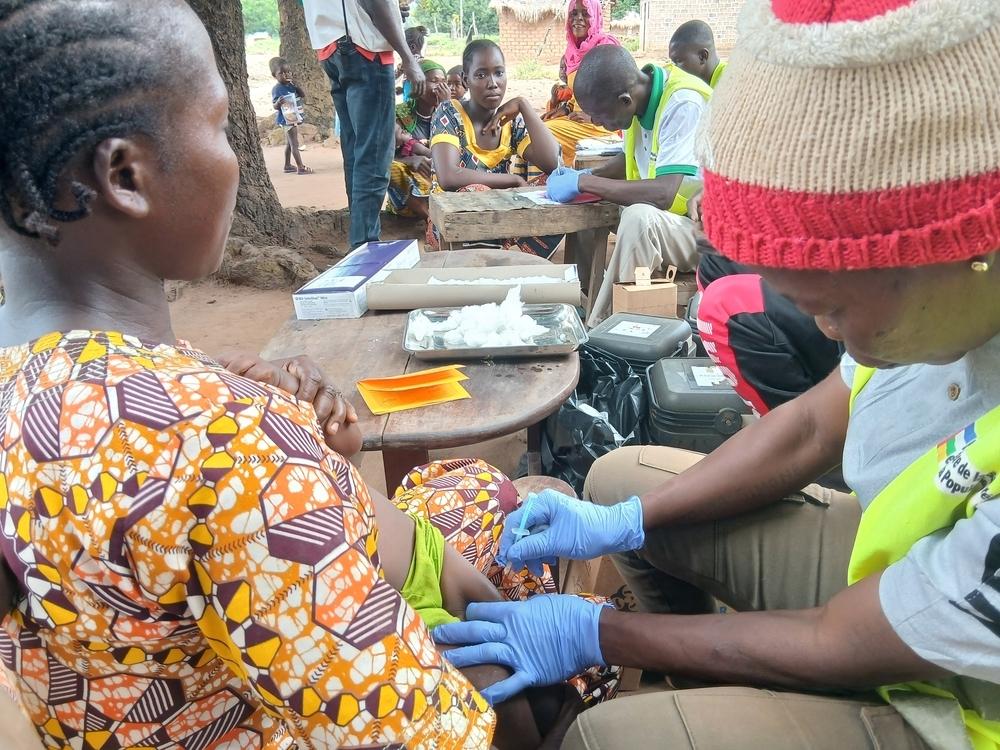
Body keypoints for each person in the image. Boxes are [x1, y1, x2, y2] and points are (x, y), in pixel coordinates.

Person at [0, 2, 612, 747]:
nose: (233, 155)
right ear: (126, 175)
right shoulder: (221, 438)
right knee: (529, 534)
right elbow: (424, 731)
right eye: (224, 125)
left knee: (470, 489)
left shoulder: (49, 387)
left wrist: (325, 462)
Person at [433, 1, 1000, 748]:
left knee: (605, 740)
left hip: (955, 693)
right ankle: (718, 681)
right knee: (617, 480)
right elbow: (807, 428)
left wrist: (600, 634)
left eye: (830, 308)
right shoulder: (932, 310)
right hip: (887, 562)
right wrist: (629, 522)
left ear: (964, 248)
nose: (828, 334)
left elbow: (840, 639)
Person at [547, 45, 711, 326]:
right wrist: (583, 181)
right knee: (589, 212)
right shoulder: (639, 100)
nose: (595, 122)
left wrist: (587, 181)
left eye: (599, 115)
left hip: (710, 234)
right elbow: (629, 160)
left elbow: (663, 192)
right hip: (676, 223)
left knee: (639, 219)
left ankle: (604, 330)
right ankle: (585, 304)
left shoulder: (684, 103)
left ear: (624, 100)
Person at [304, 0, 425, 249]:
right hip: (365, 50)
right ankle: (364, 244)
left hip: (331, 46)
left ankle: (360, 242)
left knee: (356, 153)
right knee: (374, 154)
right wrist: (408, 57)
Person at [430, 40, 562, 257]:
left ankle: (520, 256)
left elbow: (554, 164)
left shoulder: (510, 122)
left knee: (559, 180)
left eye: (499, 73)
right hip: (450, 220)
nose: (493, 83)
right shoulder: (448, 113)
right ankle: (486, 263)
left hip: (501, 213)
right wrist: (512, 180)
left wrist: (523, 105)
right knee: (477, 192)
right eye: (481, 75)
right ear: (466, 79)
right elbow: (448, 176)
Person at [542, 0, 620, 167]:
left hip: (599, 125)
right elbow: (577, 94)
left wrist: (593, 117)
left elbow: (622, 95)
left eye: (585, 14)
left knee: (541, 135)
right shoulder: (571, 53)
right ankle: (539, 185)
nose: (578, 18)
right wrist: (565, 109)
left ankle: (549, 183)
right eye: (574, 13)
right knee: (538, 127)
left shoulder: (606, 48)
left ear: (596, 17)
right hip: (576, 121)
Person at [387, 59, 451, 220]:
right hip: (410, 191)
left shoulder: (449, 112)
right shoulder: (398, 114)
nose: (441, 87)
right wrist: (409, 160)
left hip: (440, 183)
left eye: (444, 82)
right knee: (389, 167)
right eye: (434, 81)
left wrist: (447, 107)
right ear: (418, 83)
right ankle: (431, 221)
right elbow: (381, 155)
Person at [269, 56, 313, 175]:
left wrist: (296, 85)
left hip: (294, 117)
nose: (286, 75)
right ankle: (300, 167)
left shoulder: (291, 85)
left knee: (290, 143)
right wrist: (278, 103)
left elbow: (302, 95)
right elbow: (274, 106)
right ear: (274, 76)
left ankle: (287, 165)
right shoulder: (277, 89)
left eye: (288, 72)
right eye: (281, 73)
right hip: (287, 120)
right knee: (294, 143)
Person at [668, 19, 727, 88]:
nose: (674, 69)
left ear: (702, 56)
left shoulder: (732, 83)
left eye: (678, 61)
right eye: (673, 62)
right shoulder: (695, 85)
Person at [398, 25, 428, 100]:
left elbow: (393, 75)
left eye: (402, 47)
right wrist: (402, 90)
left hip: (411, 101)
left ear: (412, 47)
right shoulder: (424, 62)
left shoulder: (408, 63)